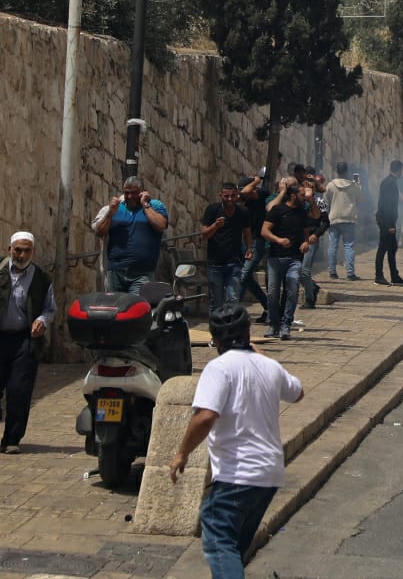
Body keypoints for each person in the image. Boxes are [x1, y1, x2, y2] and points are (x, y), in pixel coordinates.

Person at [169, 303, 303, 579]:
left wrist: (181, 453)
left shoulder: (218, 369)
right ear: (248, 332)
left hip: (238, 472)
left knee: (218, 535)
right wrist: (265, 358)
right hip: (269, 474)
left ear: (214, 339)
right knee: (234, 547)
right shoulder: (270, 366)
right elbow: (297, 393)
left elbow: (205, 416)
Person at [0, 232, 55, 454]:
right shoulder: (1, 271)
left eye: (27, 250)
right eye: (18, 250)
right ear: (9, 249)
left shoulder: (42, 277)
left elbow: (49, 309)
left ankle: (11, 439)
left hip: (24, 339)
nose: (22, 255)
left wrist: (42, 320)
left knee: (19, 389)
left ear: (33, 251)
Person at [91, 176, 169, 294]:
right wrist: (109, 214)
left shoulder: (155, 206)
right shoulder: (115, 208)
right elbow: (99, 232)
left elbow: (161, 225)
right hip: (115, 273)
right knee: (115, 309)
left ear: (142, 192)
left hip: (142, 274)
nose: (130, 196)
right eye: (127, 193)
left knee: (135, 309)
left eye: (134, 193)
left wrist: (145, 205)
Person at [261, 179, 316, 340]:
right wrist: (278, 240)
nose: (303, 196)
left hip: (294, 259)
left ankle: (286, 324)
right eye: (301, 194)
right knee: (272, 293)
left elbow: (311, 222)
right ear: (292, 195)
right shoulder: (277, 210)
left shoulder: (302, 212)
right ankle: (273, 324)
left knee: (292, 291)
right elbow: (264, 231)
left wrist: (305, 242)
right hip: (275, 258)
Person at [201, 183, 252, 319]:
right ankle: (216, 332)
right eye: (226, 196)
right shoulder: (212, 210)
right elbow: (205, 234)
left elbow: (247, 232)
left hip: (234, 262)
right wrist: (215, 226)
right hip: (215, 263)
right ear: (220, 196)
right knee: (216, 302)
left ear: (237, 196)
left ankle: (230, 330)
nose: (230, 199)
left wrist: (249, 248)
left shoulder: (243, 212)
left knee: (233, 299)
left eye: (233, 196)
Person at [239, 169, 271, 324]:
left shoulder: (261, 196)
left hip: (258, 241)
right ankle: (268, 306)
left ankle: (268, 306)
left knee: (244, 275)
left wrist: (257, 179)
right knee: (244, 277)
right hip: (247, 241)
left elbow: (246, 191)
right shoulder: (247, 203)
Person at [324, 162, 364, 281]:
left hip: (334, 218)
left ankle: (332, 272)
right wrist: (359, 185)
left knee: (332, 246)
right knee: (349, 246)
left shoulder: (330, 185)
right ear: (347, 171)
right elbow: (361, 199)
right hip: (349, 218)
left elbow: (326, 202)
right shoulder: (354, 185)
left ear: (337, 171)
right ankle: (350, 273)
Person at [374, 160, 403, 287]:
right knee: (383, 248)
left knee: (392, 248)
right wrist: (390, 225)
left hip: (387, 220)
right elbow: (388, 205)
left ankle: (394, 275)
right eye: (402, 170)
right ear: (399, 170)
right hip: (386, 221)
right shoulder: (390, 183)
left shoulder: (389, 181)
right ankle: (378, 276)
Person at [298, 176, 329, 309]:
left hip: (311, 239)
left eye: (309, 185)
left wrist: (316, 234)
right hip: (298, 239)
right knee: (297, 270)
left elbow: (325, 222)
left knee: (305, 270)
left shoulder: (319, 201)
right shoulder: (298, 200)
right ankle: (313, 287)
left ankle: (310, 299)